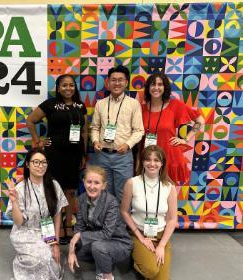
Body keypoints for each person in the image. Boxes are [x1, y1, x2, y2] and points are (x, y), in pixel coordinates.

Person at [26, 74, 88, 242]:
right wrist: (36, 141)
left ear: (74, 87)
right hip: (55, 153)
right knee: (53, 190)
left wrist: (84, 153)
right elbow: (30, 120)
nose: (68, 88)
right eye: (64, 85)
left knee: (70, 190)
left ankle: (68, 224)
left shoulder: (80, 106)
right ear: (58, 88)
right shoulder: (50, 104)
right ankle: (54, 227)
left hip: (74, 154)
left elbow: (84, 131)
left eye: (71, 85)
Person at [5, 148, 68, 280]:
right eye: (36, 162)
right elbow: (18, 222)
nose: (41, 166)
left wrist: (55, 243)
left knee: (53, 261)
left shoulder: (54, 185)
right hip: (25, 231)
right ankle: (23, 260)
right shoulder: (20, 188)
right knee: (41, 259)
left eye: (44, 162)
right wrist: (15, 201)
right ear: (27, 164)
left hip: (46, 229)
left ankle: (29, 257)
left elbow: (57, 216)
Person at [121, 145, 177, 280]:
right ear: (142, 162)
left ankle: (147, 259)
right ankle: (137, 260)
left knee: (162, 277)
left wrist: (162, 245)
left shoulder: (170, 187)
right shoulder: (132, 183)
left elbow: (172, 219)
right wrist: (140, 237)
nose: (152, 164)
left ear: (162, 163)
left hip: (160, 236)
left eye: (156, 160)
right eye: (148, 160)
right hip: (138, 233)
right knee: (151, 271)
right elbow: (124, 211)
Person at [68, 165, 133, 280]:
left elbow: (107, 233)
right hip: (99, 239)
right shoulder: (82, 198)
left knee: (97, 247)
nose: (92, 186)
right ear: (83, 182)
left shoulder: (111, 202)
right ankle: (104, 260)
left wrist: (81, 235)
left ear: (103, 185)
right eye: (89, 182)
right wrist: (71, 250)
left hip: (118, 241)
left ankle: (107, 275)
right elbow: (80, 226)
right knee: (79, 248)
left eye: (97, 183)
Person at [91, 65, 144, 202]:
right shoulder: (100, 104)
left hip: (123, 156)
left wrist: (128, 144)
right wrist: (95, 141)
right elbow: (95, 127)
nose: (117, 83)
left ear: (126, 83)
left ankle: (121, 224)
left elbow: (139, 131)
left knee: (123, 194)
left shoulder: (133, 104)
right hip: (102, 155)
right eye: (113, 80)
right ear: (108, 82)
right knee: (104, 193)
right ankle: (107, 223)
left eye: (121, 80)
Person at [141, 73, 205, 184]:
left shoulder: (175, 105)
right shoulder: (141, 108)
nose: (156, 87)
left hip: (169, 157)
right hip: (147, 159)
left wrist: (185, 139)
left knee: (167, 196)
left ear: (165, 87)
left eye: (160, 84)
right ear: (148, 88)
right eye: (153, 84)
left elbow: (200, 120)